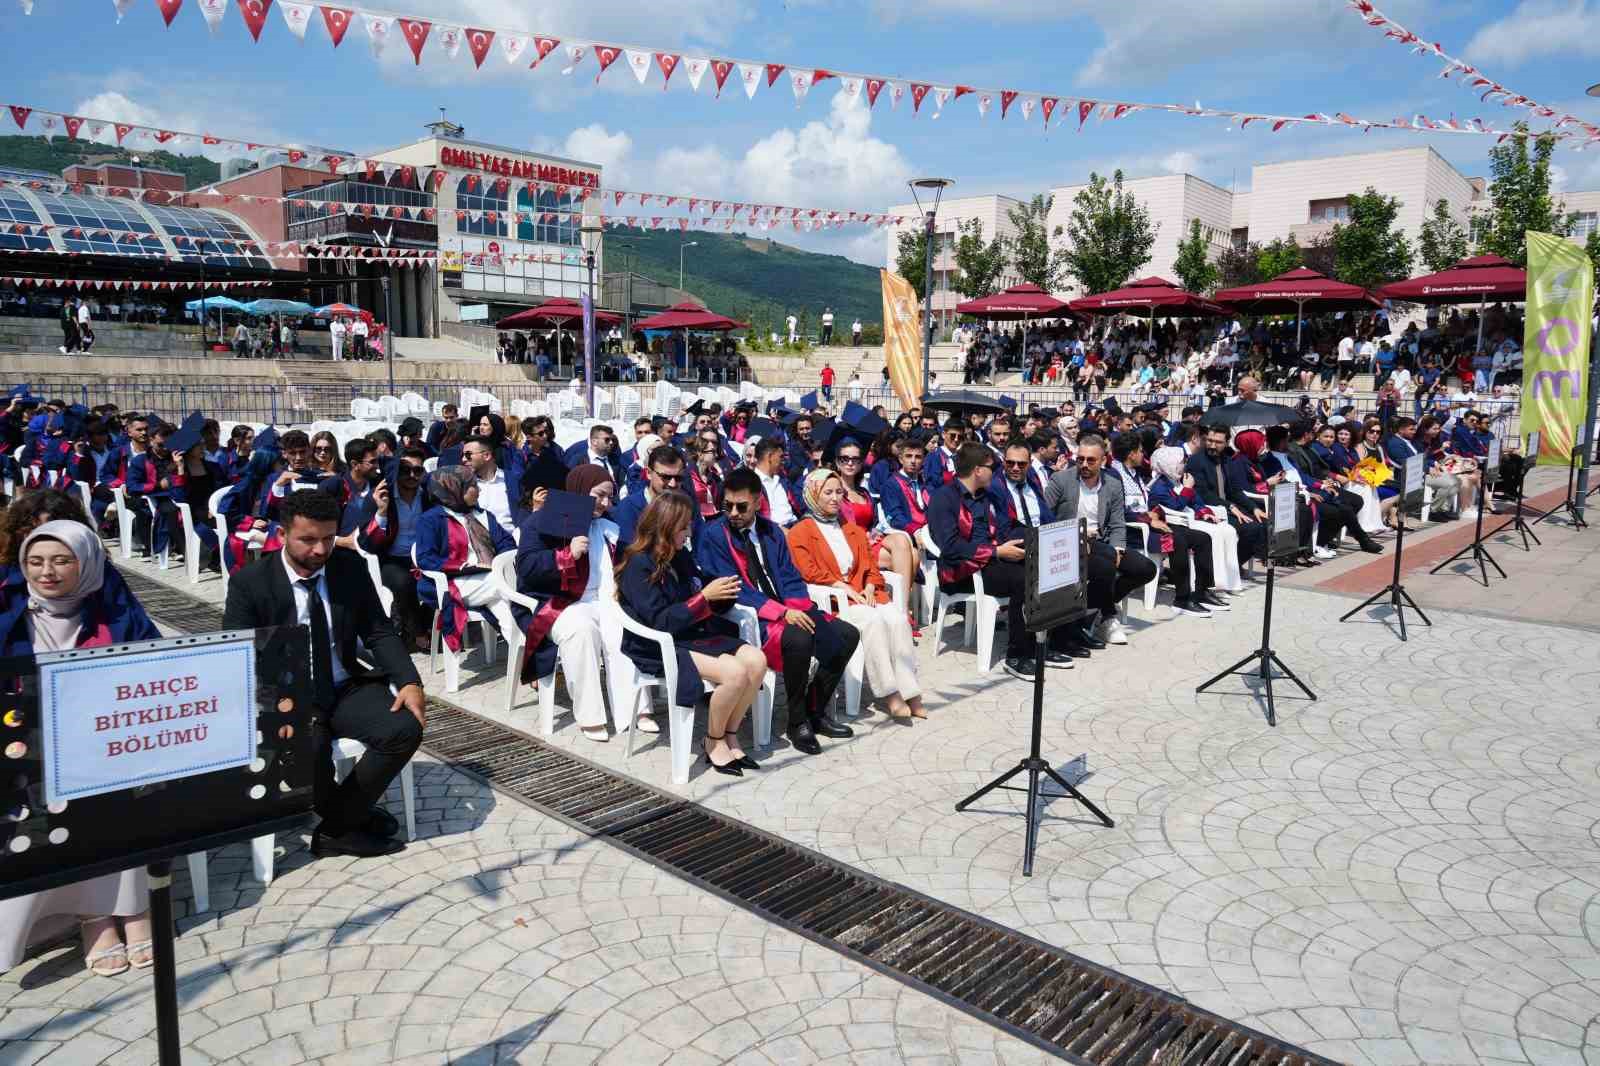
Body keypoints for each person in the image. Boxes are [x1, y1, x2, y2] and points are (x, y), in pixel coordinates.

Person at [222, 490, 424, 858]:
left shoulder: (347, 567)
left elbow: (377, 629)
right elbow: (237, 656)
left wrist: (410, 681)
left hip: (343, 683)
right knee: (306, 751)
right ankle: (349, 818)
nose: (319, 550)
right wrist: (270, 707)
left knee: (403, 729)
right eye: (308, 540)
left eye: (328, 538)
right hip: (288, 691)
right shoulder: (250, 582)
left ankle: (337, 827)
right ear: (282, 535)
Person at [1, 521, 161, 974]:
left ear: (86, 563)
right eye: (35, 562)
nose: (46, 572)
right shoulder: (9, 615)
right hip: (29, 750)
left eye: (61, 560)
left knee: (118, 787)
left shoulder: (114, 610)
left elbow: (153, 669)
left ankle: (133, 909)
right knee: (48, 795)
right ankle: (93, 917)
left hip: (108, 740)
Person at [698, 467, 859, 755]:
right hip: (749, 618)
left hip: (789, 609)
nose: (733, 512)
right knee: (799, 637)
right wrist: (782, 613)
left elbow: (790, 577)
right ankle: (797, 722)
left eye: (741, 506)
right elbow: (732, 587)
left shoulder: (771, 531)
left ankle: (815, 710)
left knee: (846, 635)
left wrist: (798, 609)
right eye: (728, 506)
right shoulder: (714, 535)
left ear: (758, 502)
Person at [615, 491, 765, 774]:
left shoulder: (679, 555)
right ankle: (713, 740)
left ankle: (729, 735)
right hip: (659, 644)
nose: (688, 533)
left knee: (757, 662)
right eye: (683, 527)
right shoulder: (638, 563)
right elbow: (660, 621)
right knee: (734, 674)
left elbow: (701, 587)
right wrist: (703, 598)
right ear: (666, 527)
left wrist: (722, 591)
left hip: (691, 632)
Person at [930, 442, 1074, 679]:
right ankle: (1017, 655)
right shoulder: (945, 498)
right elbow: (951, 548)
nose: (995, 472)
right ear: (978, 470)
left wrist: (1042, 541)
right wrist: (996, 552)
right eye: (991, 467)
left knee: (1048, 568)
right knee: (1025, 579)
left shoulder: (987, 496)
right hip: (963, 572)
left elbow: (1010, 525)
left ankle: (1042, 645)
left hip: (991, 562)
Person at [789, 469, 923, 719]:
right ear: (812, 495)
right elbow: (808, 571)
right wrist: (844, 588)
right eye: (827, 492)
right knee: (872, 621)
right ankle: (890, 693)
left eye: (839, 492)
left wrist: (871, 585)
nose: (835, 498)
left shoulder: (851, 529)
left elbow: (871, 566)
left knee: (896, 618)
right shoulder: (801, 531)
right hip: (834, 602)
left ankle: (911, 691)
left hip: (863, 594)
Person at [512, 467, 621, 742]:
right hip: (558, 601)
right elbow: (526, 567)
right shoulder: (540, 521)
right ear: (580, 491)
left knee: (626, 626)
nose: (606, 504)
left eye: (610, 497)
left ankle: (632, 710)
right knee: (581, 630)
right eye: (600, 496)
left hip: (602, 600)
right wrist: (565, 555)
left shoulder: (609, 525)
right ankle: (590, 715)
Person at [1043, 434, 1159, 648]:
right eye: (1080, 459)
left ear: (1103, 460)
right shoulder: (1061, 480)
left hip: (1102, 541)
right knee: (1105, 566)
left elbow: (1117, 522)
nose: (1084, 465)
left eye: (1091, 460)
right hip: (1069, 540)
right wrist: (1071, 535)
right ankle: (1107, 616)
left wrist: (1118, 549)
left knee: (1146, 568)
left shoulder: (1113, 484)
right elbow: (1043, 517)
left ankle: (1091, 608)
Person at [415, 466, 519, 656]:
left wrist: (499, 562)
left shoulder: (482, 515)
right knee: (507, 586)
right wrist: (463, 567)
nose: (478, 490)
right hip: (453, 583)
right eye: (472, 486)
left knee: (506, 609)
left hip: (489, 578)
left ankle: (530, 664)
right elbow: (425, 558)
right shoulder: (432, 519)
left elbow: (506, 543)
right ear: (454, 488)